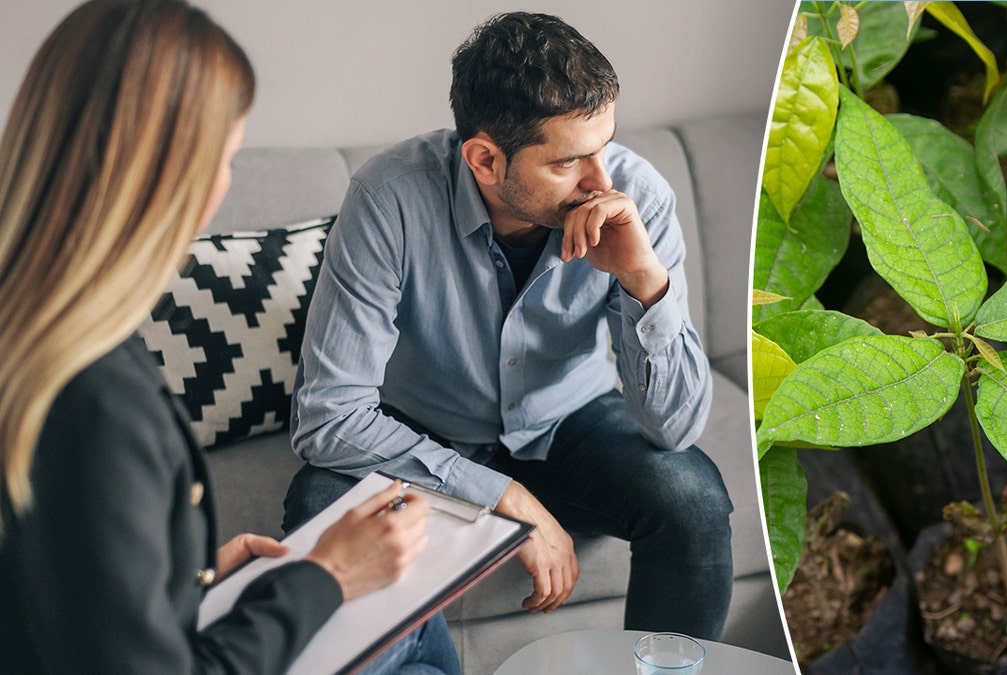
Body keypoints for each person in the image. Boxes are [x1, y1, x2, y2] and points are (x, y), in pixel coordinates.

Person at [0, 1, 457, 673]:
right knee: (414, 634)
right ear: (164, 169)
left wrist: (191, 583)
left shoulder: (36, 330)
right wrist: (326, 577)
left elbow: (65, 597)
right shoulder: (94, 393)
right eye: (228, 159)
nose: (223, 183)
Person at [286, 11, 734, 639]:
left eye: (604, 148)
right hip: (427, 430)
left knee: (694, 499)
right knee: (318, 506)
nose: (599, 183)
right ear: (485, 159)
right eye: (569, 162)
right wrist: (503, 497)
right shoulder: (390, 199)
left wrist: (644, 282)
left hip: (566, 422)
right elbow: (329, 418)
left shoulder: (636, 197)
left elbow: (677, 425)